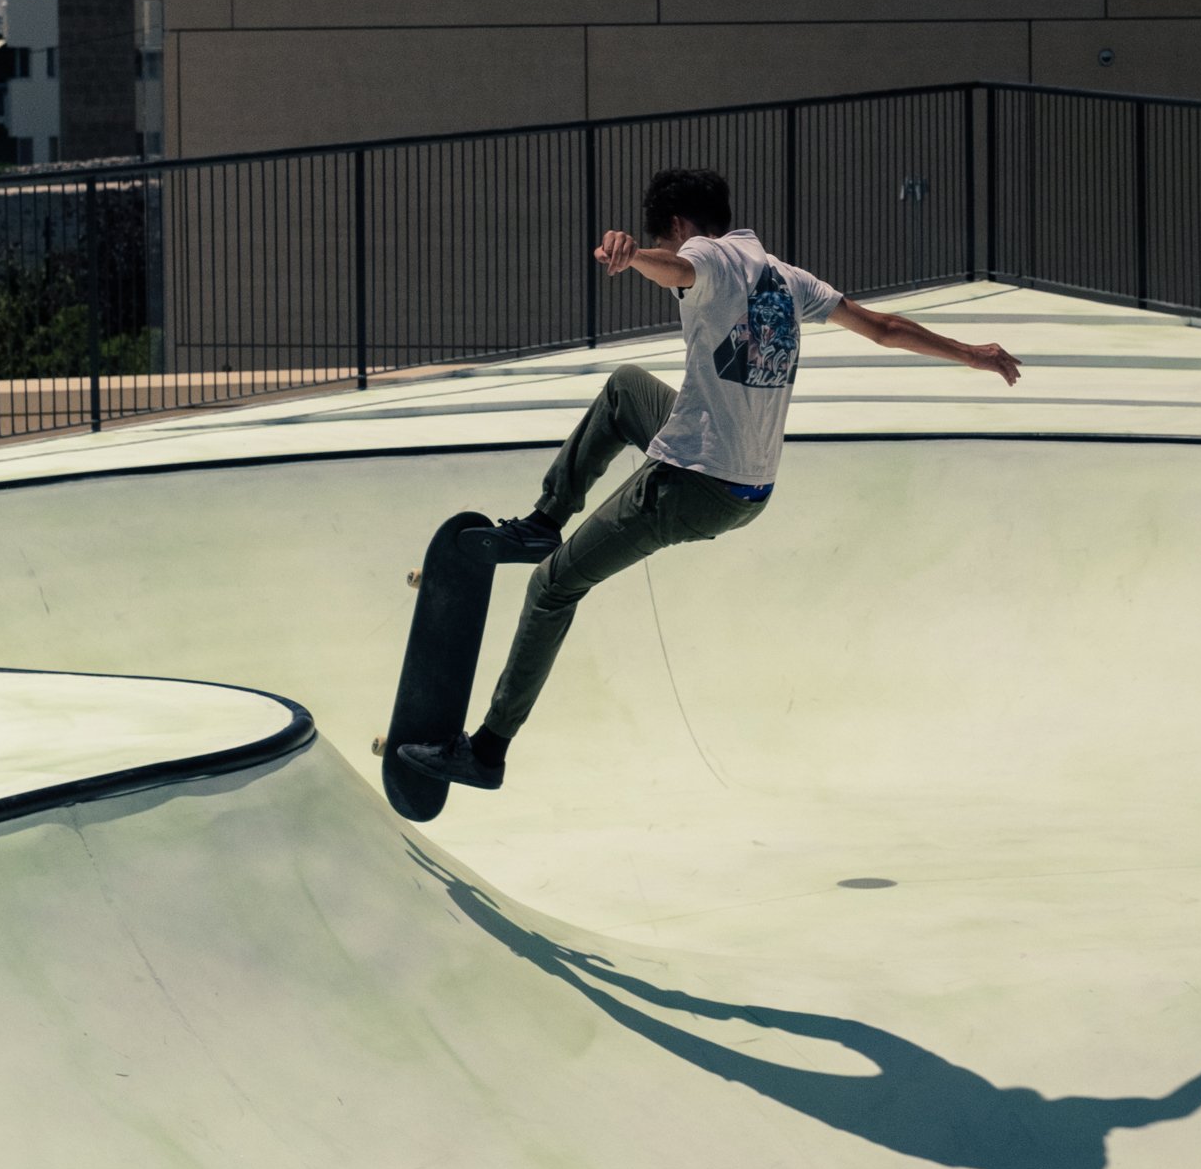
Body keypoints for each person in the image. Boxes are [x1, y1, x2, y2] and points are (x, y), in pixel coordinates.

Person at [400, 166, 1021, 793]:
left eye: (665, 238)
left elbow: (680, 269)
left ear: (676, 225)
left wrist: (631, 254)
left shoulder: (706, 256)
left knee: (552, 588)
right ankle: (544, 521)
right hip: (750, 487)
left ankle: (487, 749)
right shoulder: (785, 276)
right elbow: (884, 330)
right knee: (625, 389)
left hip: (692, 483)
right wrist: (969, 353)